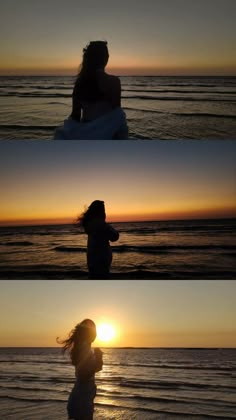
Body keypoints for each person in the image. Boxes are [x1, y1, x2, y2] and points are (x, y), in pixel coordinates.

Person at [54, 41, 128, 139]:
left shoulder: (80, 82)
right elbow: (116, 115)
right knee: (120, 115)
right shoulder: (113, 82)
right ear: (105, 58)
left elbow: (75, 116)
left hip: (85, 134)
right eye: (107, 54)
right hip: (108, 135)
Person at [57, 319, 103, 420]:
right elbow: (83, 374)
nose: (95, 334)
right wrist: (99, 358)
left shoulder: (80, 347)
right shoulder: (84, 349)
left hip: (78, 399)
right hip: (82, 402)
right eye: (94, 331)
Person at [79, 200, 119, 279]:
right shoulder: (101, 225)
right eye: (103, 210)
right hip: (101, 261)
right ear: (100, 212)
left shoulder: (90, 224)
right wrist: (107, 226)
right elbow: (115, 237)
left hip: (92, 259)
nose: (105, 213)